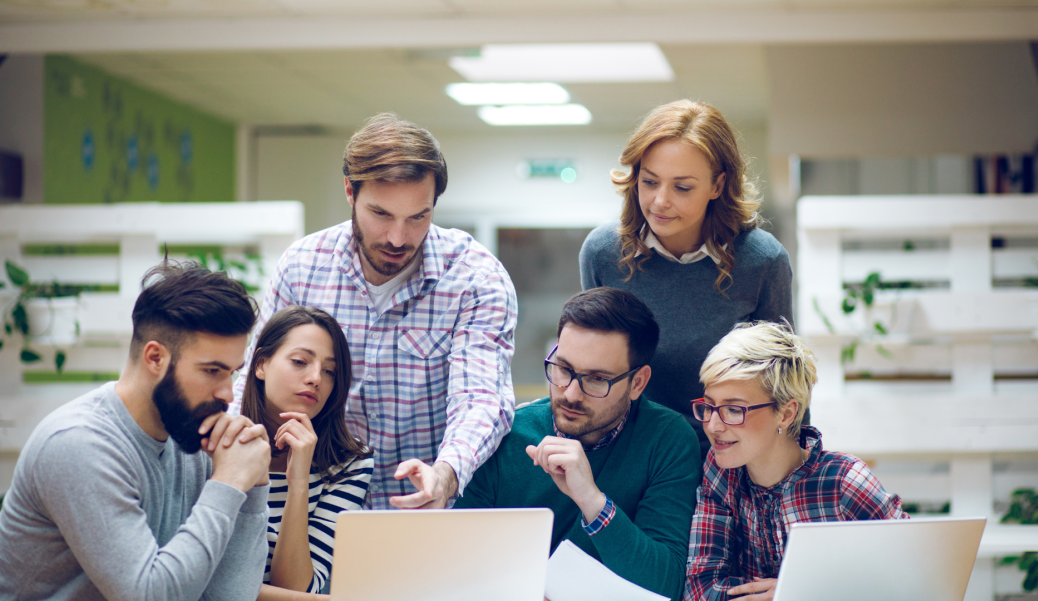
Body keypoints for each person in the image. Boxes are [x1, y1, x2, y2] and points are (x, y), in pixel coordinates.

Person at [232, 113, 517, 510]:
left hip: (427, 514)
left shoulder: (476, 278)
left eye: (418, 217)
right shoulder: (303, 266)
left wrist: (446, 473)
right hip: (315, 513)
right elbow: (250, 380)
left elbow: (481, 398)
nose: (398, 238)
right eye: (381, 214)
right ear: (350, 191)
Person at [0, 261, 272, 600]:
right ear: (155, 358)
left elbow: (226, 596)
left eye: (231, 372)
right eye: (212, 370)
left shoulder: (192, 435)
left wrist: (252, 488)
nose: (228, 394)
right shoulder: (80, 444)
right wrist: (228, 483)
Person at [579, 99, 796, 456]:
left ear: (718, 185)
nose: (660, 201)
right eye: (649, 181)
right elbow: (597, 372)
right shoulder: (603, 253)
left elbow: (783, 386)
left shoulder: (762, 261)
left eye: (682, 187)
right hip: (634, 456)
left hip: (731, 460)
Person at [457, 287, 700, 601]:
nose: (570, 393)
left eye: (597, 378)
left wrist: (592, 501)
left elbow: (663, 585)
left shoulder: (668, 440)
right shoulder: (505, 435)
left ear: (637, 383)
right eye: (563, 369)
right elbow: (459, 571)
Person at [684, 322, 908, 601]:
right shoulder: (720, 474)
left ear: (786, 414)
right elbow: (700, 590)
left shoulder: (844, 482)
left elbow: (912, 578)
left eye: (733, 409)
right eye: (709, 406)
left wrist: (803, 590)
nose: (713, 426)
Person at [239, 305, 374, 600]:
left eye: (329, 371)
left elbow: (295, 588)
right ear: (261, 364)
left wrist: (298, 481)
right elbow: (206, 579)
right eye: (300, 361)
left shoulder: (351, 463)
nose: (316, 378)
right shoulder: (218, 441)